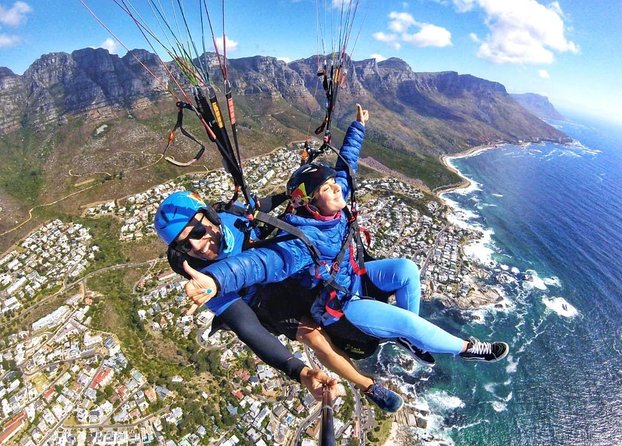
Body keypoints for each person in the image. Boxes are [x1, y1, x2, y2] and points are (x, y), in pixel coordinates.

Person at [183, 104, 509, 366]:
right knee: (406, 323)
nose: (337, 188)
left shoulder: (332, 208)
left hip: (355, 274)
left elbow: (346, 166)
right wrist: (216, 279)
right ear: (310, 200)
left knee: (408, 269)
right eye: (327, 188)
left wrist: (358, 126)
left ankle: (410, 339)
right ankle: (467, 348)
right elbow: (263, 262)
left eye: (333, 185)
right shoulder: (302, 241)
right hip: (341, 303)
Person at [154, 190, 404, 412]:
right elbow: (247, 328)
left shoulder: (233, 215)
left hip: (280, 270)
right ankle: (369, 387)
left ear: (210, 216)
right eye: (185, 245)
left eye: (197, 232)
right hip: (261, 299)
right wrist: (300, 371)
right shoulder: (203, 279)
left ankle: (392, 321)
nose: (197, 245)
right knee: (313, 336)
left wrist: (292, 194)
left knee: (336, 278)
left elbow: (260, 205)